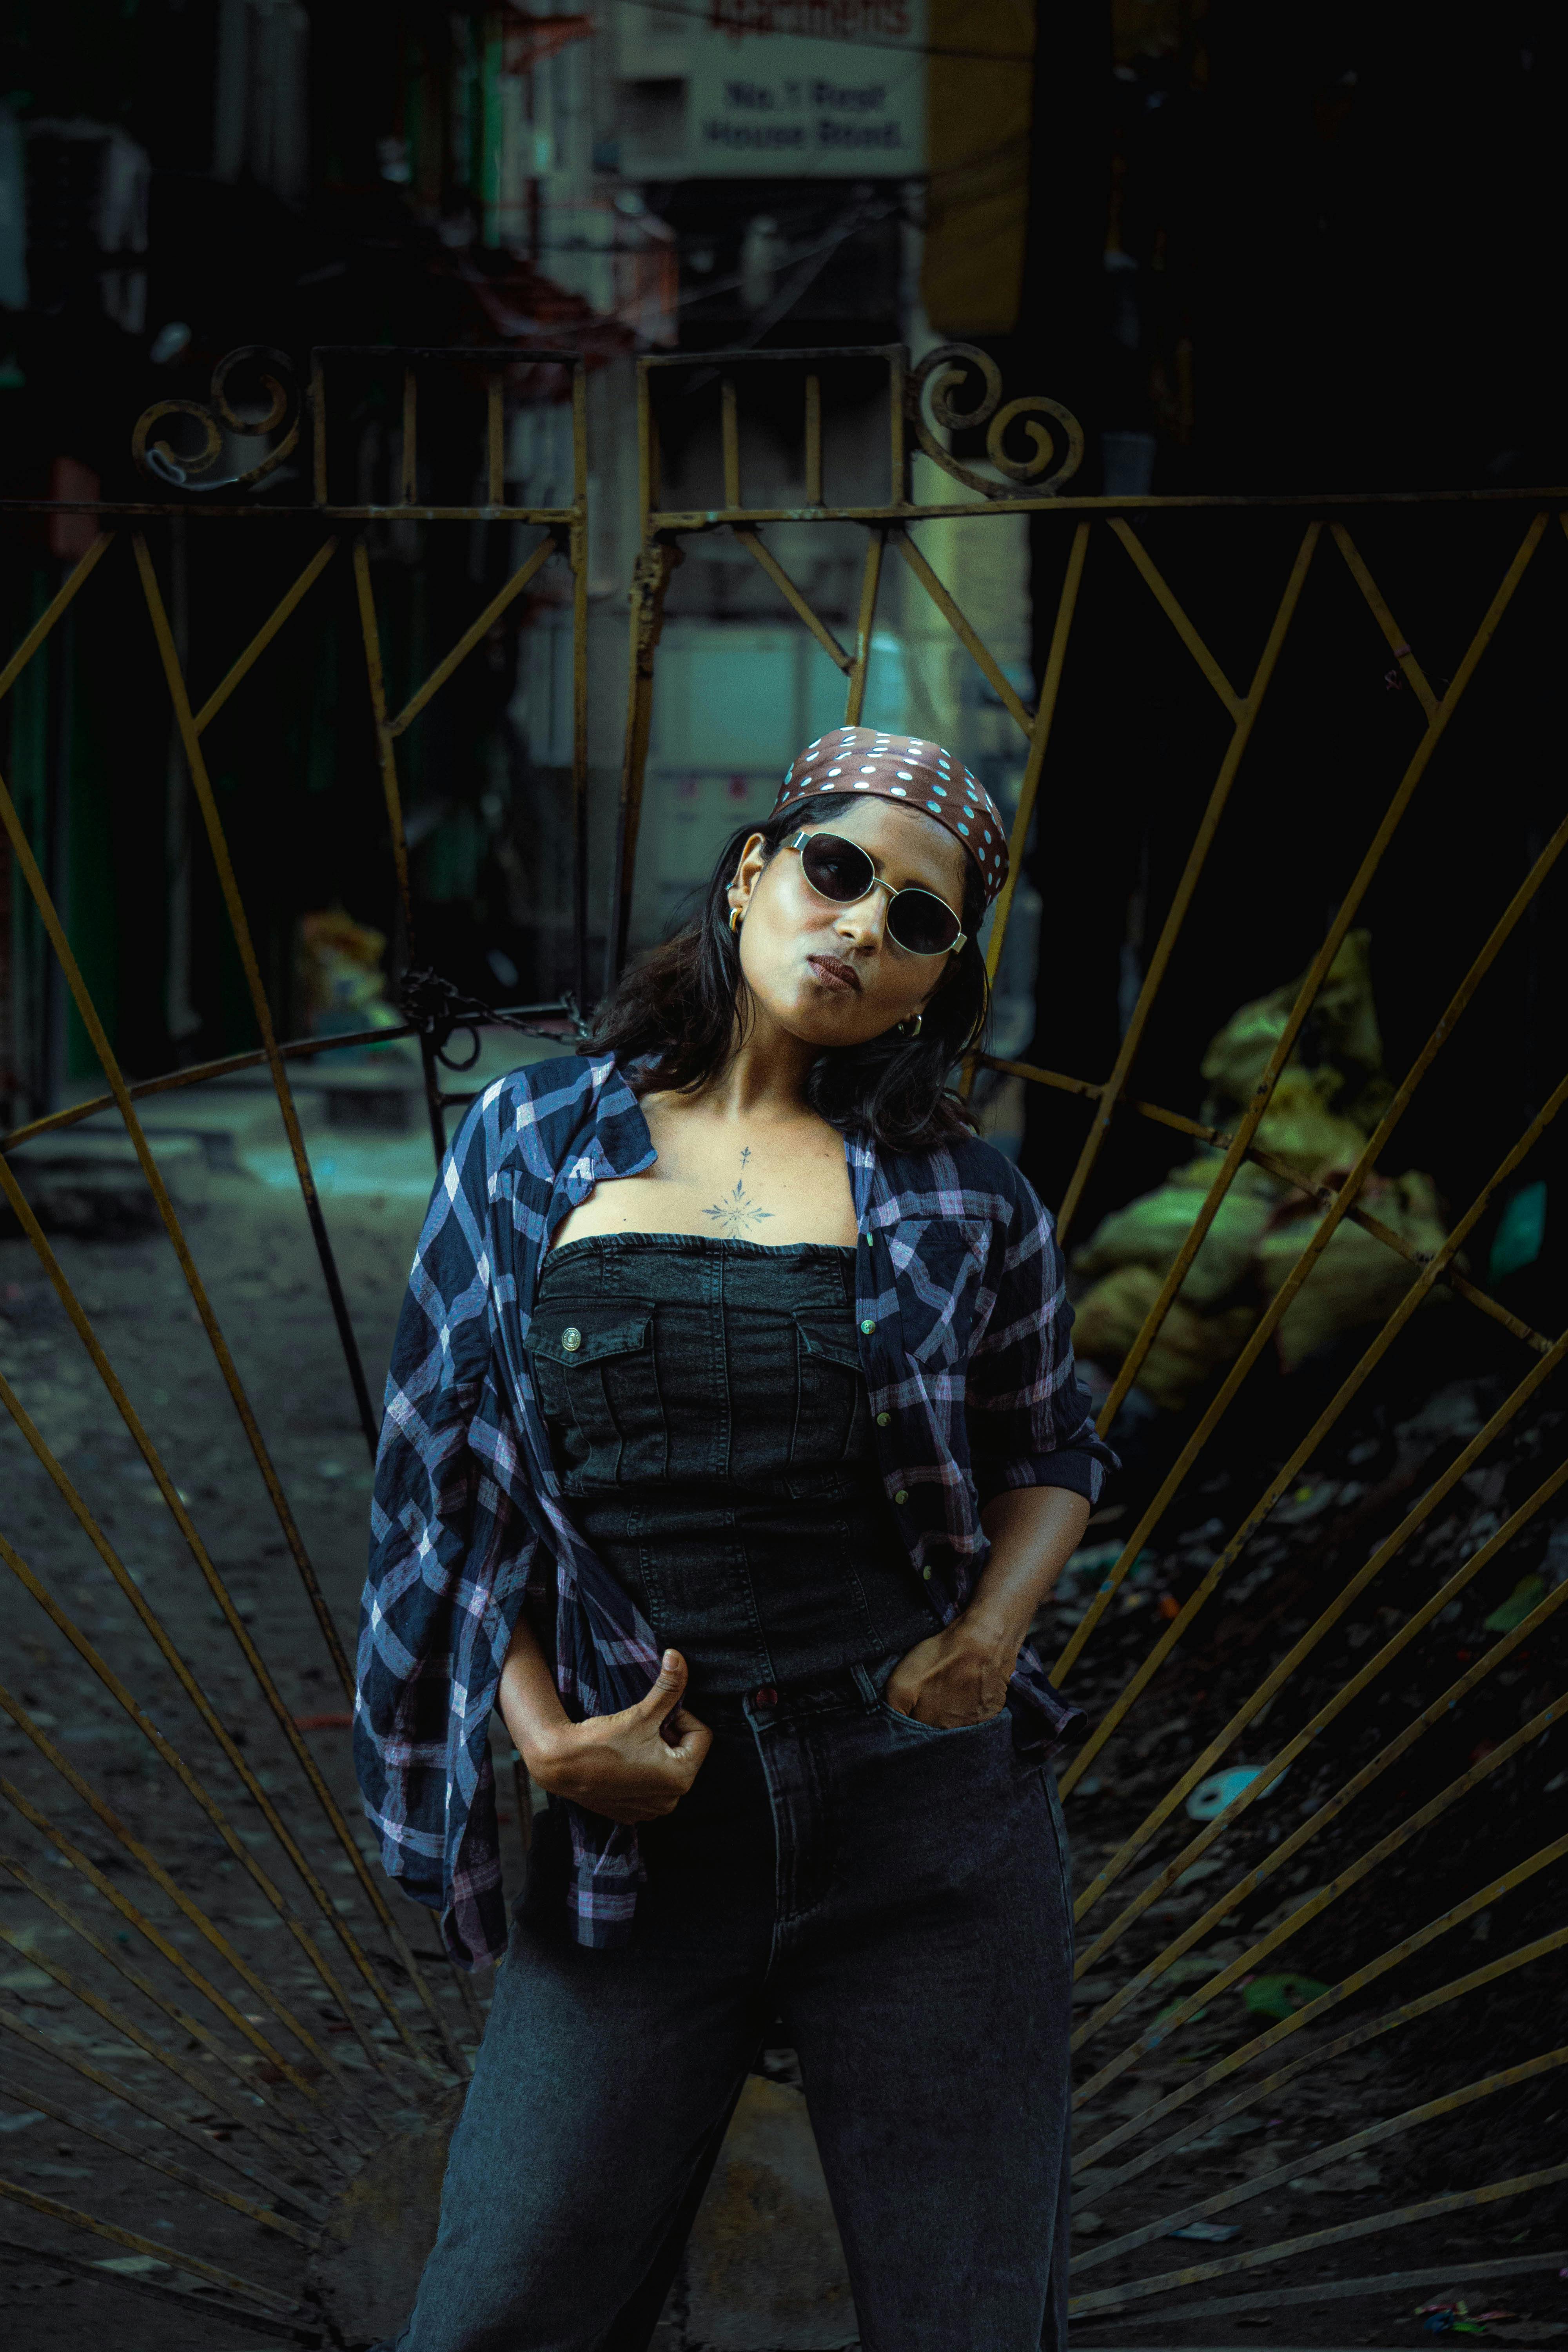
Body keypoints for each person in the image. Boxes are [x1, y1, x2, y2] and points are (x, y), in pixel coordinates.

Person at [357, 727, 1118, 2352]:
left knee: (967, 2320)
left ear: (938, 981)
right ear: (752, 873)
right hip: (645, 1827)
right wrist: (548, 1739)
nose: (860, 926)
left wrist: (985, 1643)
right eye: (836, 870)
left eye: (918, 918)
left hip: (923, 1823)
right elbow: (448, 1478)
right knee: (501, 2304)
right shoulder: (532, 1141)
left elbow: (1051, 1444)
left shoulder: (968, 1199)